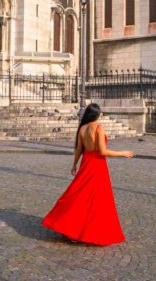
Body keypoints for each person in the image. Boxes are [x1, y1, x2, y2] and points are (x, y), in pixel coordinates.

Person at [42, 102, 133, 246]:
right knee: (97, 200)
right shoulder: (99, 127)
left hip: (86, 163)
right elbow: (102, 152)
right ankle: (92, 232)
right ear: (98, 114)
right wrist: (123, 153)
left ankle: (71, 227)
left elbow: (78, 149)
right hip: (97, 165)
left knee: (78, 195)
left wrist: (74, 164)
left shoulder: (82, 129)